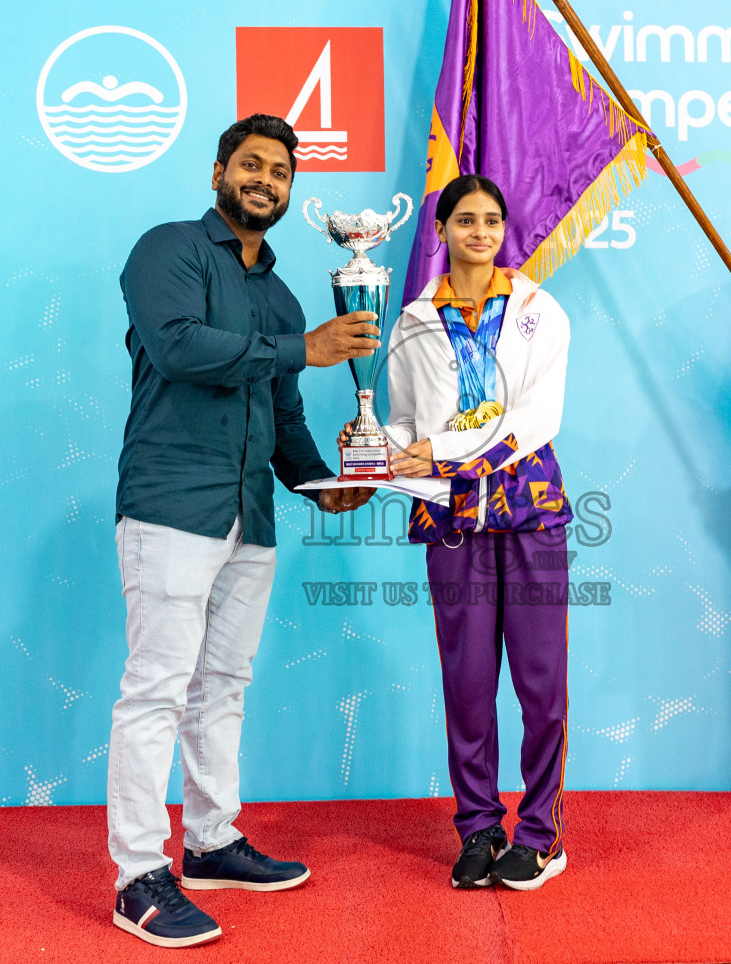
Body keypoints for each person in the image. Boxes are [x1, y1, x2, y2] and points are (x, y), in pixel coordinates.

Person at [108, 114, 376, 948]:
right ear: (219, 171)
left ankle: (211, 842)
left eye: (281, 172)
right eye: (251, 165)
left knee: (223, 684)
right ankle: (136, 877)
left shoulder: (282, 297)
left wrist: (320, 484)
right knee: (157, 687)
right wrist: (303, 348)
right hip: (173, 503)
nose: (266, 180)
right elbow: (181, 349)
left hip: (249, 515)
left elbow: (283, 413)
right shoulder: (169, 249)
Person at [377, 174, 574, 890]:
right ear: (442, 230)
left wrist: (440, 451)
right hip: (452, 519)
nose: (480, 232)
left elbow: (537, 419)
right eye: (466, 220)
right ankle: (479, 828)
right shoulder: (412, 321)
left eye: (492, 220)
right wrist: (380, 448)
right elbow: (406, 420)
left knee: (541, 683)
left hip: (528, 512)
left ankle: (541, 833)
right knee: (466, 684)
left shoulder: (539, 311)